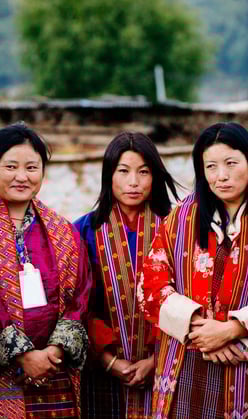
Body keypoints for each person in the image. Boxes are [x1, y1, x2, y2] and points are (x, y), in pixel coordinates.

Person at [137, 122, 248, 418]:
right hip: (181, 359)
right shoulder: (181, 217)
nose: (221, 176)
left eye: (231, 163)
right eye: (211, 167)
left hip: (241, 364)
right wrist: (201, 331)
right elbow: (151, 282)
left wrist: (231, 330)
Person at [0, 123, 92, 418]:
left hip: (56, 370)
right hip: (0, 374)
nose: (22, 177)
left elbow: (81, 292)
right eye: (11, 166)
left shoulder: (63, 230)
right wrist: (23, 355)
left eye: (31, 167)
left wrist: (54, 352)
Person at [74, 132, 180, 418]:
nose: (133, 182)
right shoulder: (83, 231)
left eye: (143, 172)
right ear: (109, 175)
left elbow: (188, 297)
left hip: (167, 365)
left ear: (155, 176)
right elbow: (79, 305)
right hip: (102, 369)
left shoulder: (177, 227)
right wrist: (109, 360)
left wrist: (155, 359)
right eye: (123, 171)